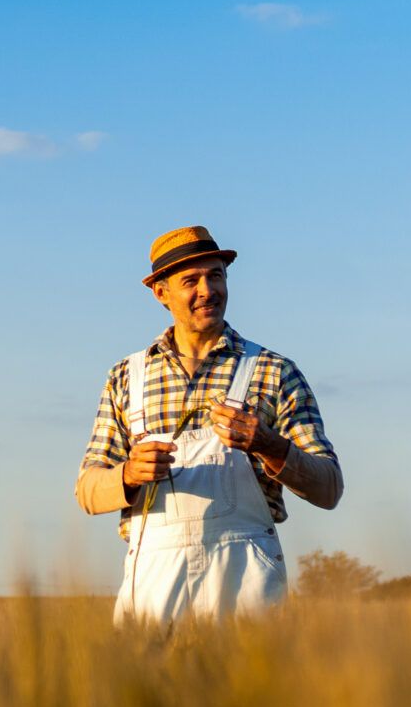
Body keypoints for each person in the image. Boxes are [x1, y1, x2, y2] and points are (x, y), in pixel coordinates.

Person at [75, 225, 342, 623]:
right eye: (191, 280)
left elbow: (329, 489)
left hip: (248, 584)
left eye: (215, 275)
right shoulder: (126, 377)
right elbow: (88, 492)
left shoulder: (274, 372)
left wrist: (270, 445)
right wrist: (128, 474)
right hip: (153, 588)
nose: (208, 290)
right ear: (160, 293)